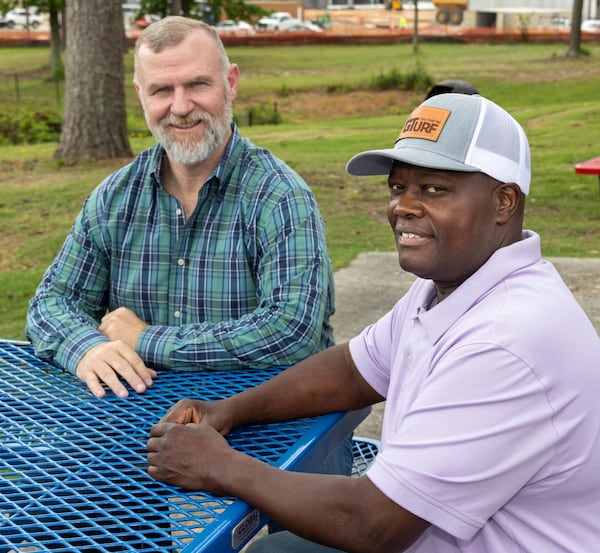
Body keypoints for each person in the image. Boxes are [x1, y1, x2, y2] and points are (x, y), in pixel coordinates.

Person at [146, 93, 600, 553]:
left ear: (503, 202)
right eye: (398, 187)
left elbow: (370, 524)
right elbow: (352, 369)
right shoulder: (453, 286)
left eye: (433, 189)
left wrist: (220, 466)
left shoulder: (507, 340)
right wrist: (231, 409)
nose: (403, 206)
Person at [25, 17, 335, 400]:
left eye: (197, 84)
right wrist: (87, 347)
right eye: (161, 90)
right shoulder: (114, 199)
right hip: (136, 421)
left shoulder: (279, 198)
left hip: (267, 427)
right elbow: (53, 301)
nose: (181, 106)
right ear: (142, 95)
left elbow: (291, 331)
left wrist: (147, 340)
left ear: (231, 82)